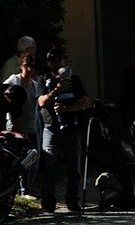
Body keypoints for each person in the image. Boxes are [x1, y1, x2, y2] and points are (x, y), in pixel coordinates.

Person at [38, 48, 93, 211]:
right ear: (48, 63)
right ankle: (48, 202)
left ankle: (72, 200)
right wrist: (56, 90)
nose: (56, 63)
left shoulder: (74, 80)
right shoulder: (44, 79)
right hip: (51, 128)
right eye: (52, 60)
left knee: (74, 167)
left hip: (72, 127)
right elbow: (41, 102)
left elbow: (85, 101)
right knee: (49, 165)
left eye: (59, 59)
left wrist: (67, 109)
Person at [4, 52, 40, 195]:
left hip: (32, 125)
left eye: (33, 66)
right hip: (16, 125)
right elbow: (6, 96)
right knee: (19, 158)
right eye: (27, 66)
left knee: (33, 158)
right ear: (20, 66)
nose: (30, 69)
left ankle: (28, 187)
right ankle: (21, 189)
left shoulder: (35, 84)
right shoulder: (14, 80)